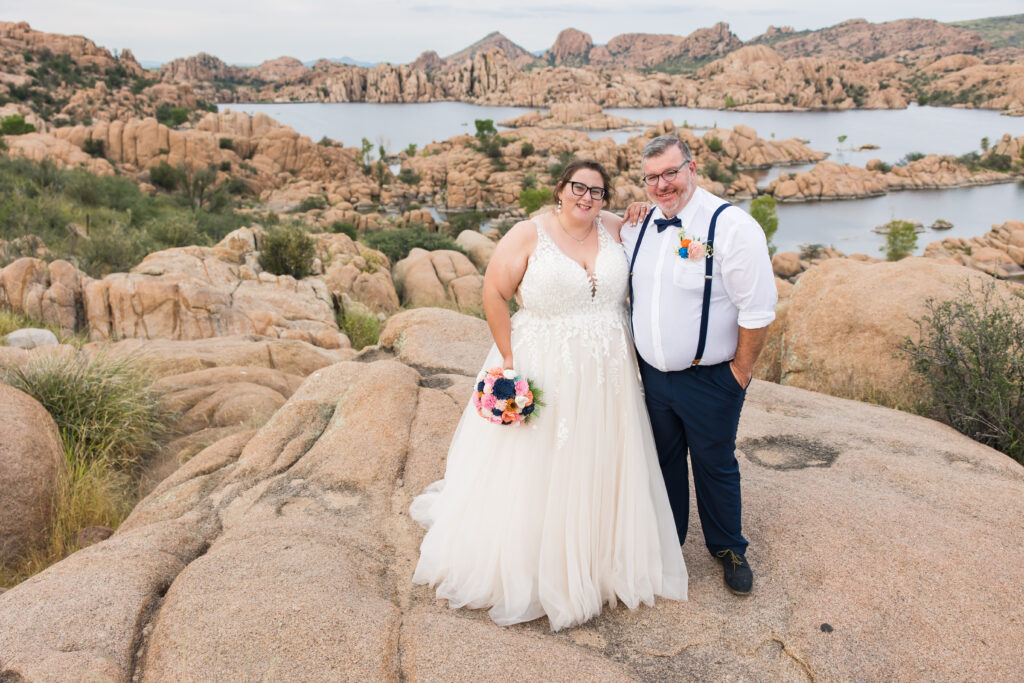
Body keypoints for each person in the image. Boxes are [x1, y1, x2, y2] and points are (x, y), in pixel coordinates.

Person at [410, 159, 688, 631]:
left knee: (600, 456)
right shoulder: (527, 233)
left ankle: (600, 557)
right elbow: (494, 292)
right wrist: (507, 358)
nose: (586, 197)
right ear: (560, 189)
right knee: (540, 461)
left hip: (609, 374)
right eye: (578, 187)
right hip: (546, 363)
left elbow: (657, 238)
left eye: (596, 191)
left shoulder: (614, 227)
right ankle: (541, 563)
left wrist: (641, 209)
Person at [621, 134, 777, 595]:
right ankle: (668, 543)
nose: (662, 185)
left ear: (692, 168)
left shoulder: (733, 227)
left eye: (670, 173)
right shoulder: (639, 225)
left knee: (714, 463)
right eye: (651, 178)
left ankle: (728, 548)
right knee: (664, 461)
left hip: (710, 378)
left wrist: (739, 374)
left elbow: (758, 310)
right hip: (653, 377)